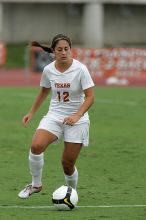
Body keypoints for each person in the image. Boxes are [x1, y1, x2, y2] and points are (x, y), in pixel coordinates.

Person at [18, 34, 94, 199]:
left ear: (70, 50)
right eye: (59, 49)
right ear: (53, 51)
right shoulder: (48, 69)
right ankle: (36, 184)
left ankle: (71, 194)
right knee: (36, 145)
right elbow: (44, 91)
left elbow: (90, 97)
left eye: (66, 49)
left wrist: (76, 115)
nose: (64, 52)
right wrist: (31, 112)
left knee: (67, 164)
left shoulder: (80, 69)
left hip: (78, 120)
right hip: (55, 115)